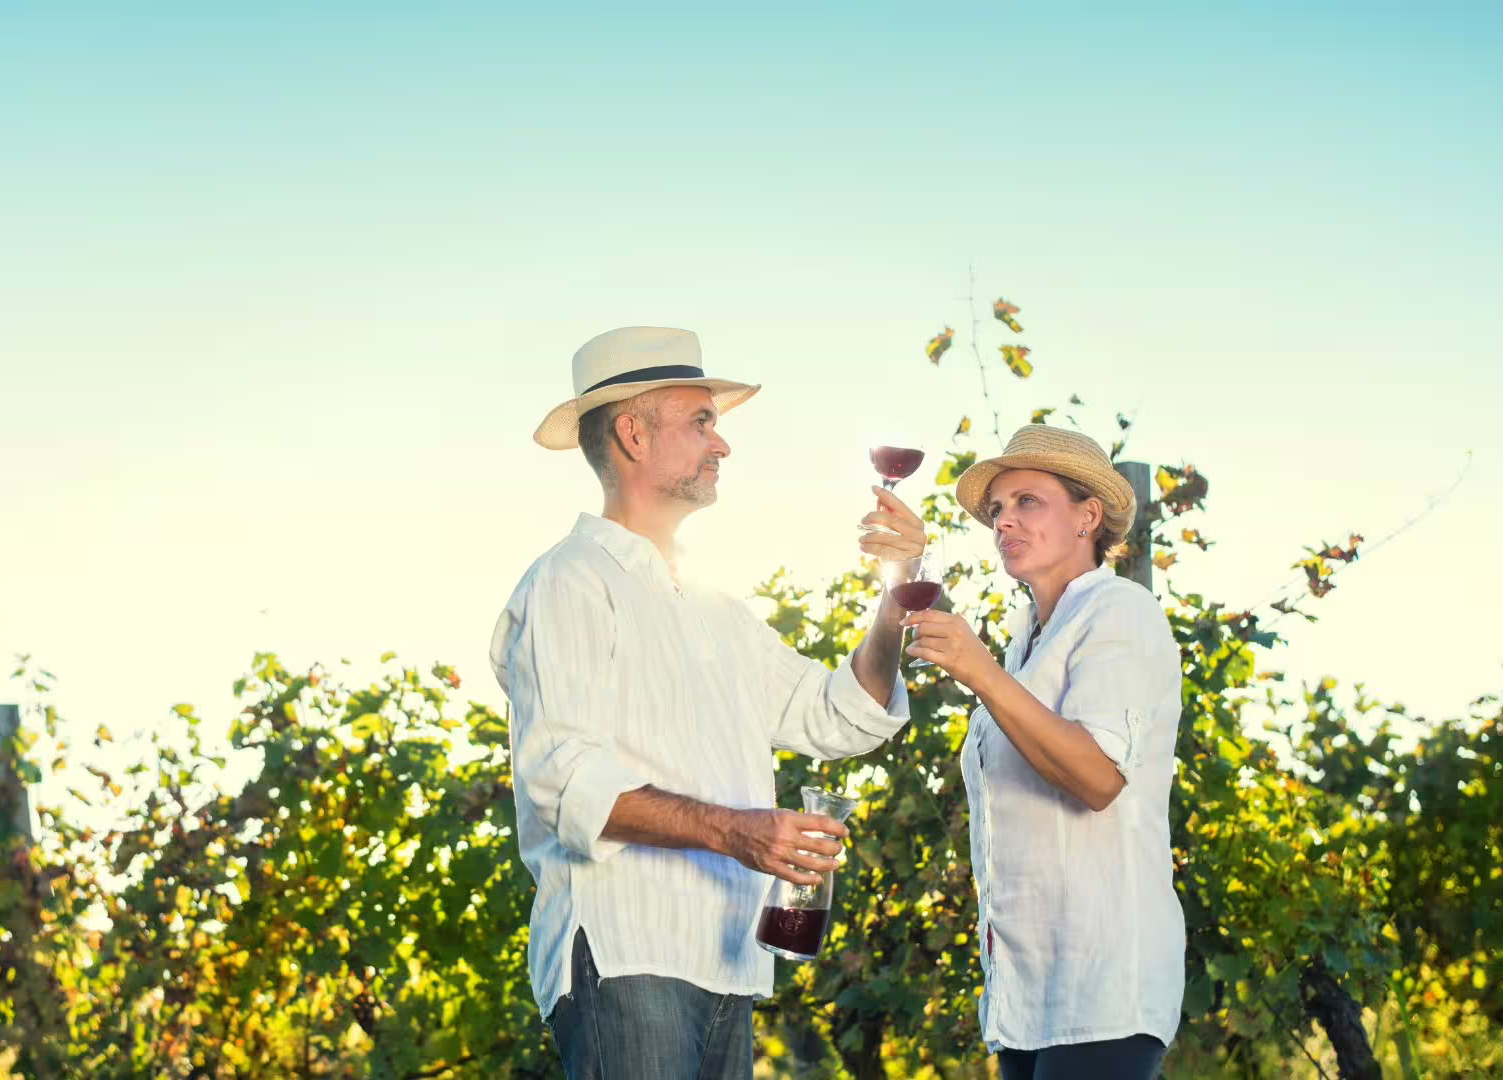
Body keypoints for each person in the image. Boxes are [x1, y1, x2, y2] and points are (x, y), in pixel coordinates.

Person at [491, 326, 923, 1080]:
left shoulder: (716, 608)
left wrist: (898, 589)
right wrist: (737, 832)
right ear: (632, 433)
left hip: (728, 962)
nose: (721, 446)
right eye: (701, 422)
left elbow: (840, 713)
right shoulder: (570, 581)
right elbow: (565, 783)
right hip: (629, 952)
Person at [897, 424, 1185, 1080]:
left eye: (1028, 501)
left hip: (1103, 977)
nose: (1006, 522)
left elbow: (1098, 777)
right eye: (997, 510)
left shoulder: (1121, 612)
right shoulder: (1026, 642)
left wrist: (981, 675)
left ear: (1089, 516)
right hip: (1026, 986)